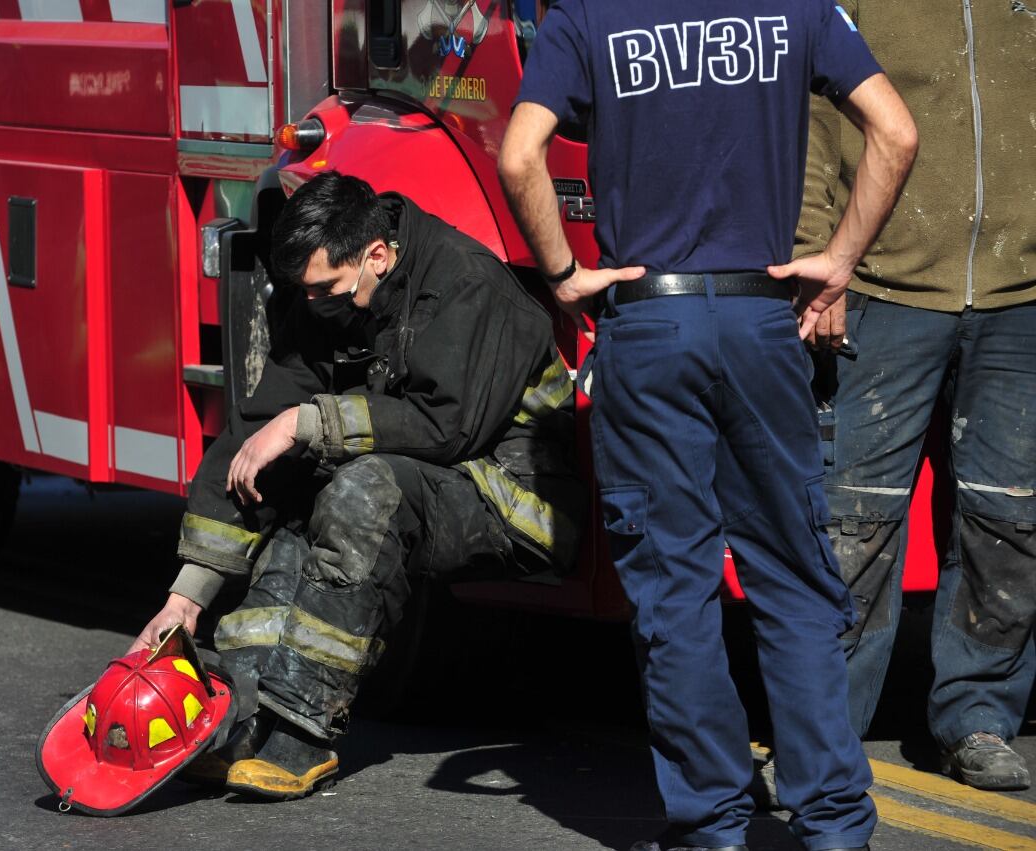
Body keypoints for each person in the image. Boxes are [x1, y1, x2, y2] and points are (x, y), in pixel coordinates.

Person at [498, 2, 917, 849]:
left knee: (675, 591)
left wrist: (565, 273)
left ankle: (714, 824)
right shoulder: (794, 6)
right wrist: (838, 261)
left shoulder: (589, 15)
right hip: (763, 320)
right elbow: (897, 133)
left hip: (649, 323)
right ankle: (836, 822)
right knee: (795, 580)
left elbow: (518, 156)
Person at [129, 171, 583, 800]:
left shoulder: (468, 284)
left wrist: (310, 421)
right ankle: (241, 715)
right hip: (422, 475)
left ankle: (300, 733)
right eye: (305, 291)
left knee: (360, 488)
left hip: (512, 497)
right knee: (295, 477)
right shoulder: (335, 294)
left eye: (326, 288)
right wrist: (187, 596)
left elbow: (446, 429)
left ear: (376, 254)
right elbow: (259, 426)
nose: (314, 304)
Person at [798, 0, 1035, 792]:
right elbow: (809, 120)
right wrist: (817, 261)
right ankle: (827, 731)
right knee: (853, 522)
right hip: (878, 287)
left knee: (1008, 522)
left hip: (1020, 296)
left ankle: (977, 717)